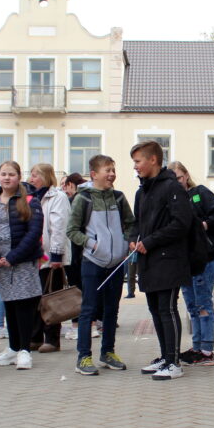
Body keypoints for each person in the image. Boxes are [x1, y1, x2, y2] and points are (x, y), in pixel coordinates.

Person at [65, 154, 134, 376]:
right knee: (89, 310)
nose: (112, 174)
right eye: (108, 170)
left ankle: (108, 353)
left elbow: (131, 224)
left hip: (116, 263)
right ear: (94, 174)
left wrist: (126, 243)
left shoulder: (119, 197)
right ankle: (83, 357)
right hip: (92, 262)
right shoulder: (83, 199)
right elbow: (72, 230)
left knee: (112, 310)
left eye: (113, 170)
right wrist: (92, 245)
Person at [130, 141, 193, 380]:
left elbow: (181, 223)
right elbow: (137, 223)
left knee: (167, 309)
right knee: (155, 309)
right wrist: (133, 239)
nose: (135, 166)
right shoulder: (142, 191)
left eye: (138, 161)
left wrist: (151, 241)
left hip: (169, 259)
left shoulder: (172, 187)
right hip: (148, 259)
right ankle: (166, 357)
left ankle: (174, 361)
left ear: (153, 160)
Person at [0, 161, 43, 370]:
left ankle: (25, 350)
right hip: (1, 262)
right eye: (3, 174)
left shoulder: (30, 199)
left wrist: (13, 257)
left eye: (11, 174)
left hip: (22, 260)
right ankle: (13, 348)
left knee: (24, 304)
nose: (7, 178)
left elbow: (34, 232)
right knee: (9, 304)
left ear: (18, 177)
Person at [170, 161, 214, 367]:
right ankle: (197, 347)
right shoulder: (173, 199)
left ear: (186, 175)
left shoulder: (199, 193)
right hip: (184, 260)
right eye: (173, 179)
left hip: (204, 257)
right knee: (192, 306)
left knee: (203, 304)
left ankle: (207, 350)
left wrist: (204, 224)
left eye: (179, 177)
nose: (177, 182)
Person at [28, 163, 69, 352]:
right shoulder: (32, 197)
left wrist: (56, 254)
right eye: (31, 175)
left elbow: (58, 226)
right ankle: (35, 337)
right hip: (35, 256)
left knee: (51, 298)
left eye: (35, 175)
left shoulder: (57, 197)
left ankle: (52, 339)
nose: (31, 179)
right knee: (35, 299)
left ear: (45, 176)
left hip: (51, 257)